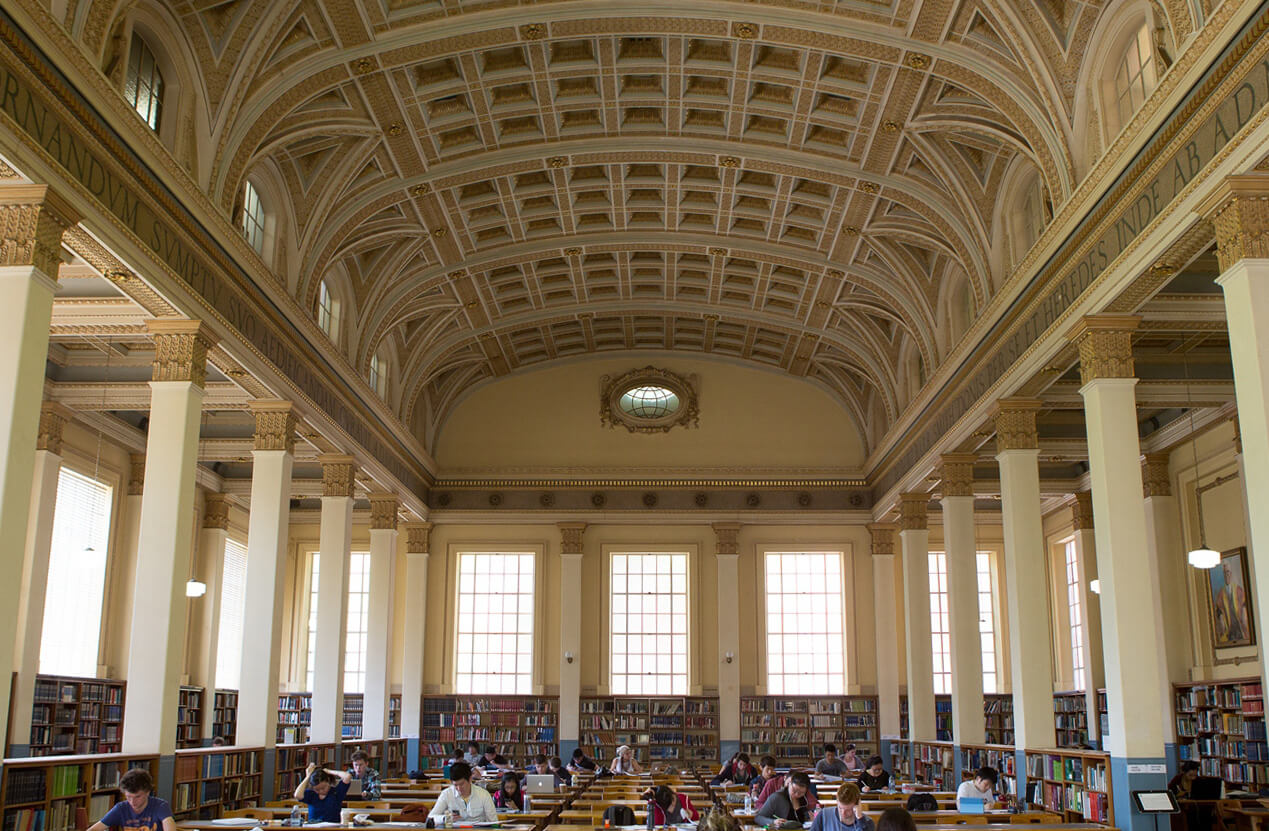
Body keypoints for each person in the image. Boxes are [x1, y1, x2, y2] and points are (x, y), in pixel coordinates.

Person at [86, 768, 176, 831]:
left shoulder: (160, 806)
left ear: (148, 792)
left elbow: (169, 827)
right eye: (128, 797)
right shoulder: (121, 808)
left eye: (137, 797)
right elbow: (93, 829)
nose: (132, 802)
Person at [428, 762, 498, 824]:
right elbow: (431, 817)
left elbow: (494, 822)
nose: (459, 788)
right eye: (455, 785)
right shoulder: (446, 794)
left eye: (462, 784)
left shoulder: (483, 794)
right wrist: (445, 818)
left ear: (470, 779)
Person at [808, 784, 874, 831]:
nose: (843, 813)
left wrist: (860, 819)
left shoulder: (867, 822)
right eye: (840, 808)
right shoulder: (823, 815)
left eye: (848, 810)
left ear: (857, 805)